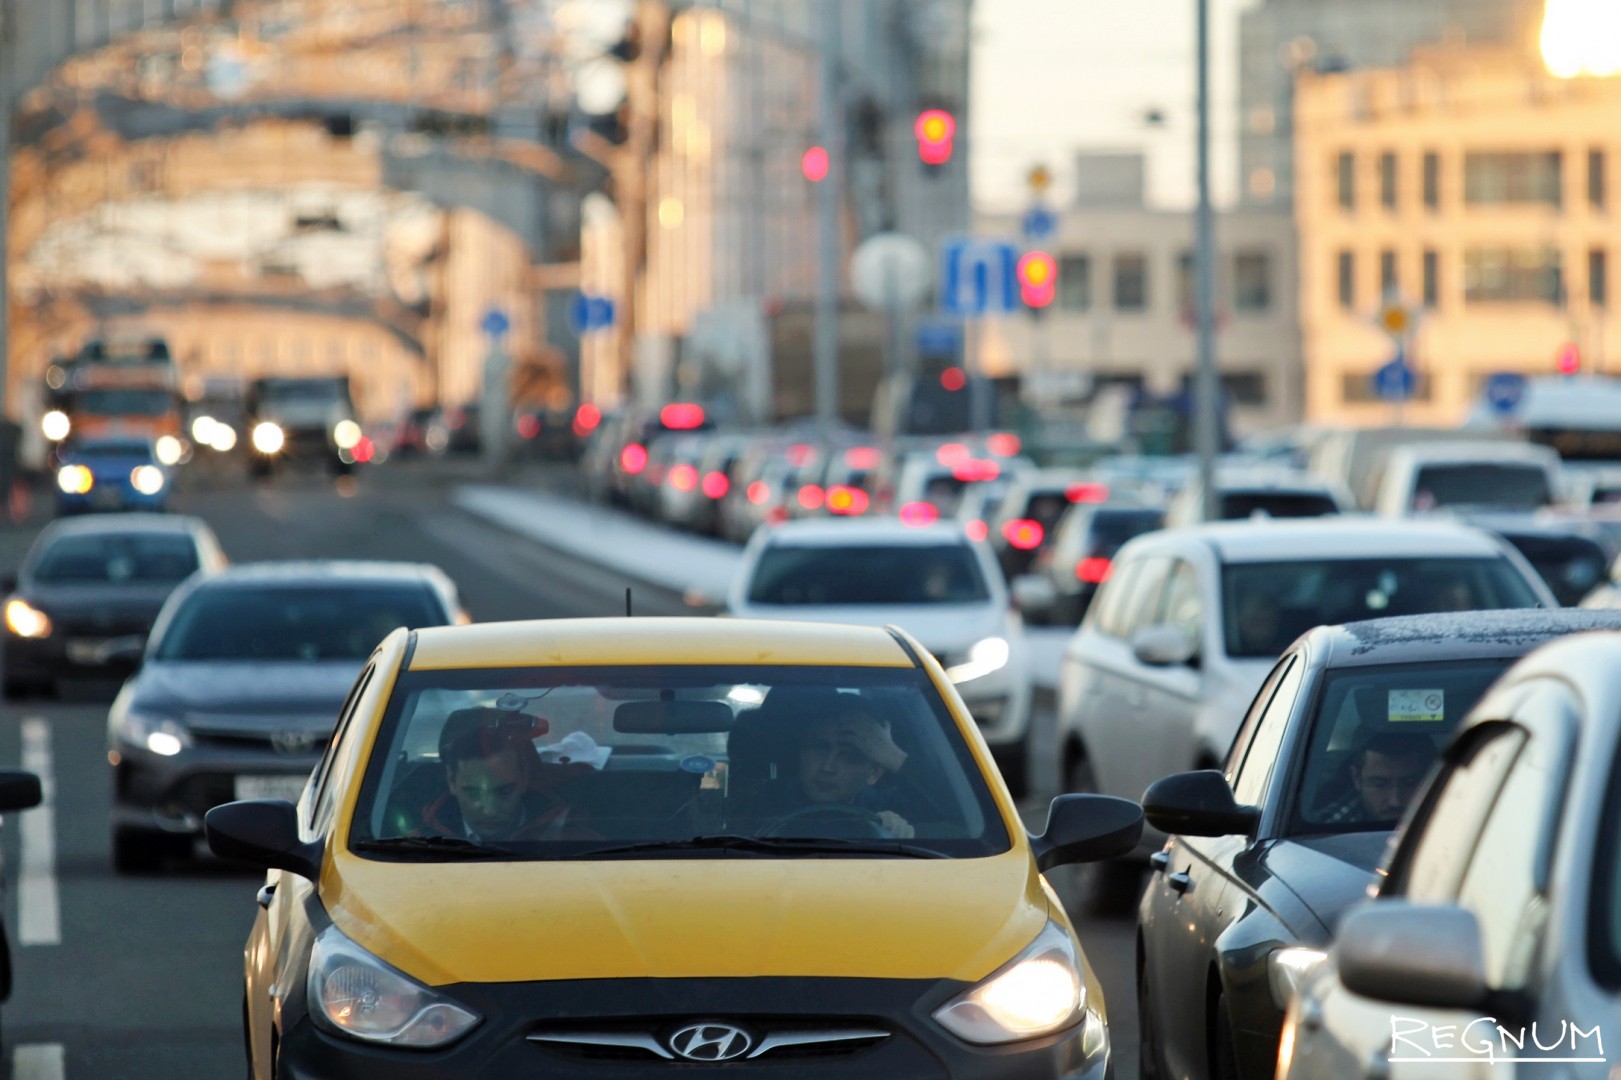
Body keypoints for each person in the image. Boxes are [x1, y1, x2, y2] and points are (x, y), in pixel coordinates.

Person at [418, 706, 589, 842]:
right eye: (473, 793)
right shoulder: (413, 847)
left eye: (504, 792)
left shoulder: (575, 842)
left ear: (524, 778)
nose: (489, 810)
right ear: (451, 781)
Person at [791, 705, 915, 839]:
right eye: (820, 748)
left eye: (849, 756)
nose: (827, 767)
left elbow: (939, 806)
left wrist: (894, 757)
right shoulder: (767, 802)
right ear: (802, 753)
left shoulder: (886, 805)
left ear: (874, 773)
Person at [1317, 731, 1434, 826]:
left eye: (1409, 783)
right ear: (1356, 778)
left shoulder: (1449, 822)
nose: (1395, 801)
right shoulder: (1324, 830)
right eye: (1379, 784)